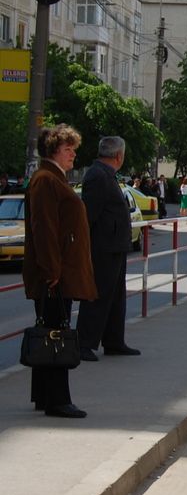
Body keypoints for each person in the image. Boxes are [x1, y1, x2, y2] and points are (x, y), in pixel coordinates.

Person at [22, 125, 97, 418]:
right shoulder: (45, 180)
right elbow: (44, 229)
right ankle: (56, 400)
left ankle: (43, 396)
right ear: (54, 150)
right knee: (56, 334)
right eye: (68, 150)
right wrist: (52, 269)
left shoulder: (52, 178)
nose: (73, 155)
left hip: (57, 272)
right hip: (54, 275)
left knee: (49, 330)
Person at [77, 136, 140, 361]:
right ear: (118, 156)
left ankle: (114, 341)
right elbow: (90, 215)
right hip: (103, 247)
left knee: (115, 296)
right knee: (97, 295)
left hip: (114, 246)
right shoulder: (98, 175)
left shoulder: (106, 174)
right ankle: (84, 343)